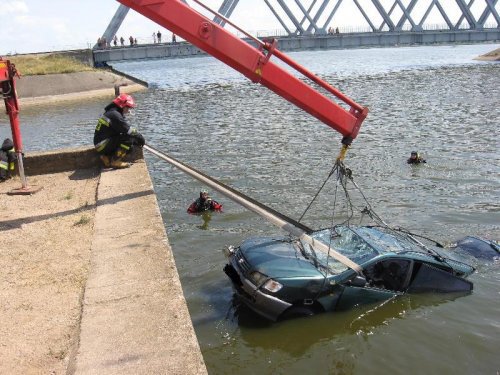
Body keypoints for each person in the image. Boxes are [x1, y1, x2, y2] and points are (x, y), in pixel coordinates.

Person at [93, 93, 145, 169]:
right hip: (103, 145)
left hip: (99, 144)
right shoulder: (115, 115)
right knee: (129, 139)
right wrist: (140, 138)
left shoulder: (110, 112)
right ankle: (116, 161)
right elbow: (129, 131)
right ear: (122, 106)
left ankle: (105, 157)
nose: (128, 111)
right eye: (127, 108)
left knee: (128, 144)